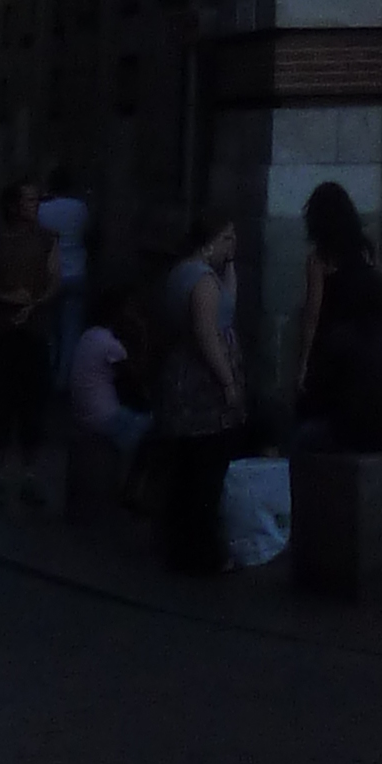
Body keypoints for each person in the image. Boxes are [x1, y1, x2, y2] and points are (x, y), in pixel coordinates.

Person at [152, 217, 246, 572]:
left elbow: (229, 306)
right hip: (200, 383)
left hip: (182, 377)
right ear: (210, 241)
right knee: (205, 468)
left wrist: (230, 263)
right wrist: (228, 382)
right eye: (227, 238)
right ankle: (201, 553)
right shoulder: (202, 281)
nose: (232, 244)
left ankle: (179, 544)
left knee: (190, 464)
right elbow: (208, 333)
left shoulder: (184, 272)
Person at [294, 182, 382, 453]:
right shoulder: (366, 251)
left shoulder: (320, 259)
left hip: (337, 337)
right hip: (374, 336)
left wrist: (303, 365)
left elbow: (313, 313)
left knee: (310, 419)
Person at [0, 178, 59, 509]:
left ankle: (29, 476)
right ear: (12, 205)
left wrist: (33, 305)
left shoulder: (47, 239)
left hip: (34, 332)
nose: (34, 206)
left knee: (32, 404)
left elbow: (55, 279)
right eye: (27, 201)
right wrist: (7, 299)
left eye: (36, 200)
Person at [68, 291, 151, 468]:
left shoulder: (89, 335)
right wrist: (142, 335)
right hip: (103, 419)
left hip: (80, 414)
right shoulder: (111, 346)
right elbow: (135, 378)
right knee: (152, 427)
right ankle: (132, 484)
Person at [36, 165, 93, 388]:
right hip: (76, 272)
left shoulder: (42, 210)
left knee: (50, 329)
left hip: (50, 274)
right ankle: (65, 379)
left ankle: (49, 372)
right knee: (71, 330)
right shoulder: (80, 208)